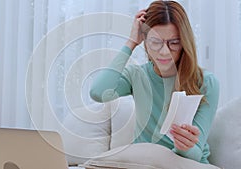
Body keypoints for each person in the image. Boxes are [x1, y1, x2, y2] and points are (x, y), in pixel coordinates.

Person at [90, 0, 219, 164]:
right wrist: (131, 42)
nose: (164, 52)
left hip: (187, 164)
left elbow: (194, 155)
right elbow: (98, 92)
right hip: (145, 163)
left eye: (174, 43)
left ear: (184, 42)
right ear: (144, 40)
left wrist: (183, 145)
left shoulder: (206, 82)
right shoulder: (137, 75)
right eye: (155, 42)